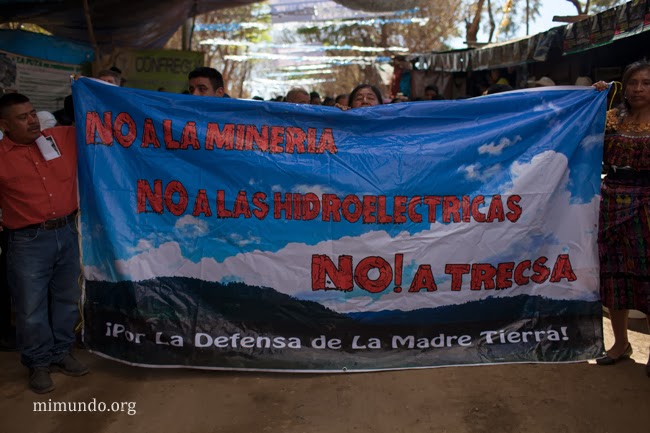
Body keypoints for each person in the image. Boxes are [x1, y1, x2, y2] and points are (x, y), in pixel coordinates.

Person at [0, 93, 88, 393]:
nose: (32, 120)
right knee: (30, 306)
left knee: (67, 298)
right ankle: (38, 362)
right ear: (4, 125)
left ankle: (62, 351)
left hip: (67, 231)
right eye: (22, 117)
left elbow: (99, 124)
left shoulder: (61, 138)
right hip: (28, 241)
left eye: (32, 113)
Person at [593, 60, 650, 377]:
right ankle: (620, 343)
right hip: (612, 200)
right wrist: (592, 99)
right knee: (614, 275)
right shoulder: (612, 118)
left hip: (647, 205)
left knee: (647, 276)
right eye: (633, 82)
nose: (638, 89)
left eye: (646, 83)